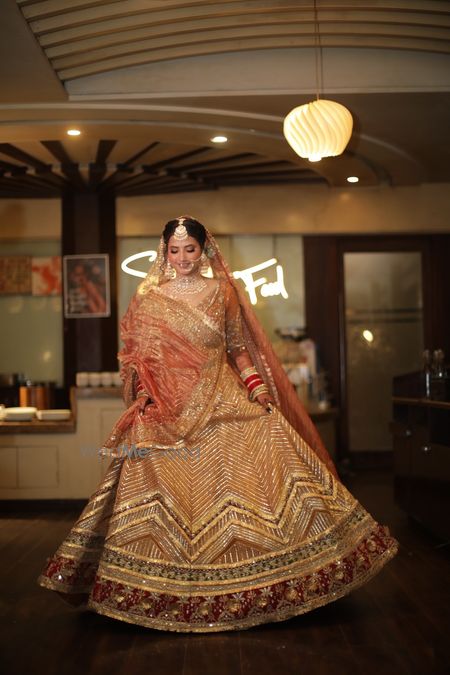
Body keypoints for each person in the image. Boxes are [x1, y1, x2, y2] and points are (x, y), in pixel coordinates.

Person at [38, 216, 398, 632]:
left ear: (204, 249)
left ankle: (265, 584)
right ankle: (157, 590)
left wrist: (257, 389)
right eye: (174, 250)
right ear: (164, 252)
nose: (182, 258)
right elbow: (136, 356)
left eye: (190, 249)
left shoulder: (222, 291)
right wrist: (144, 392)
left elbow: (238, 350)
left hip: (225, 401)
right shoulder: (149, 296)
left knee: (265, 472)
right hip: (166, 410)